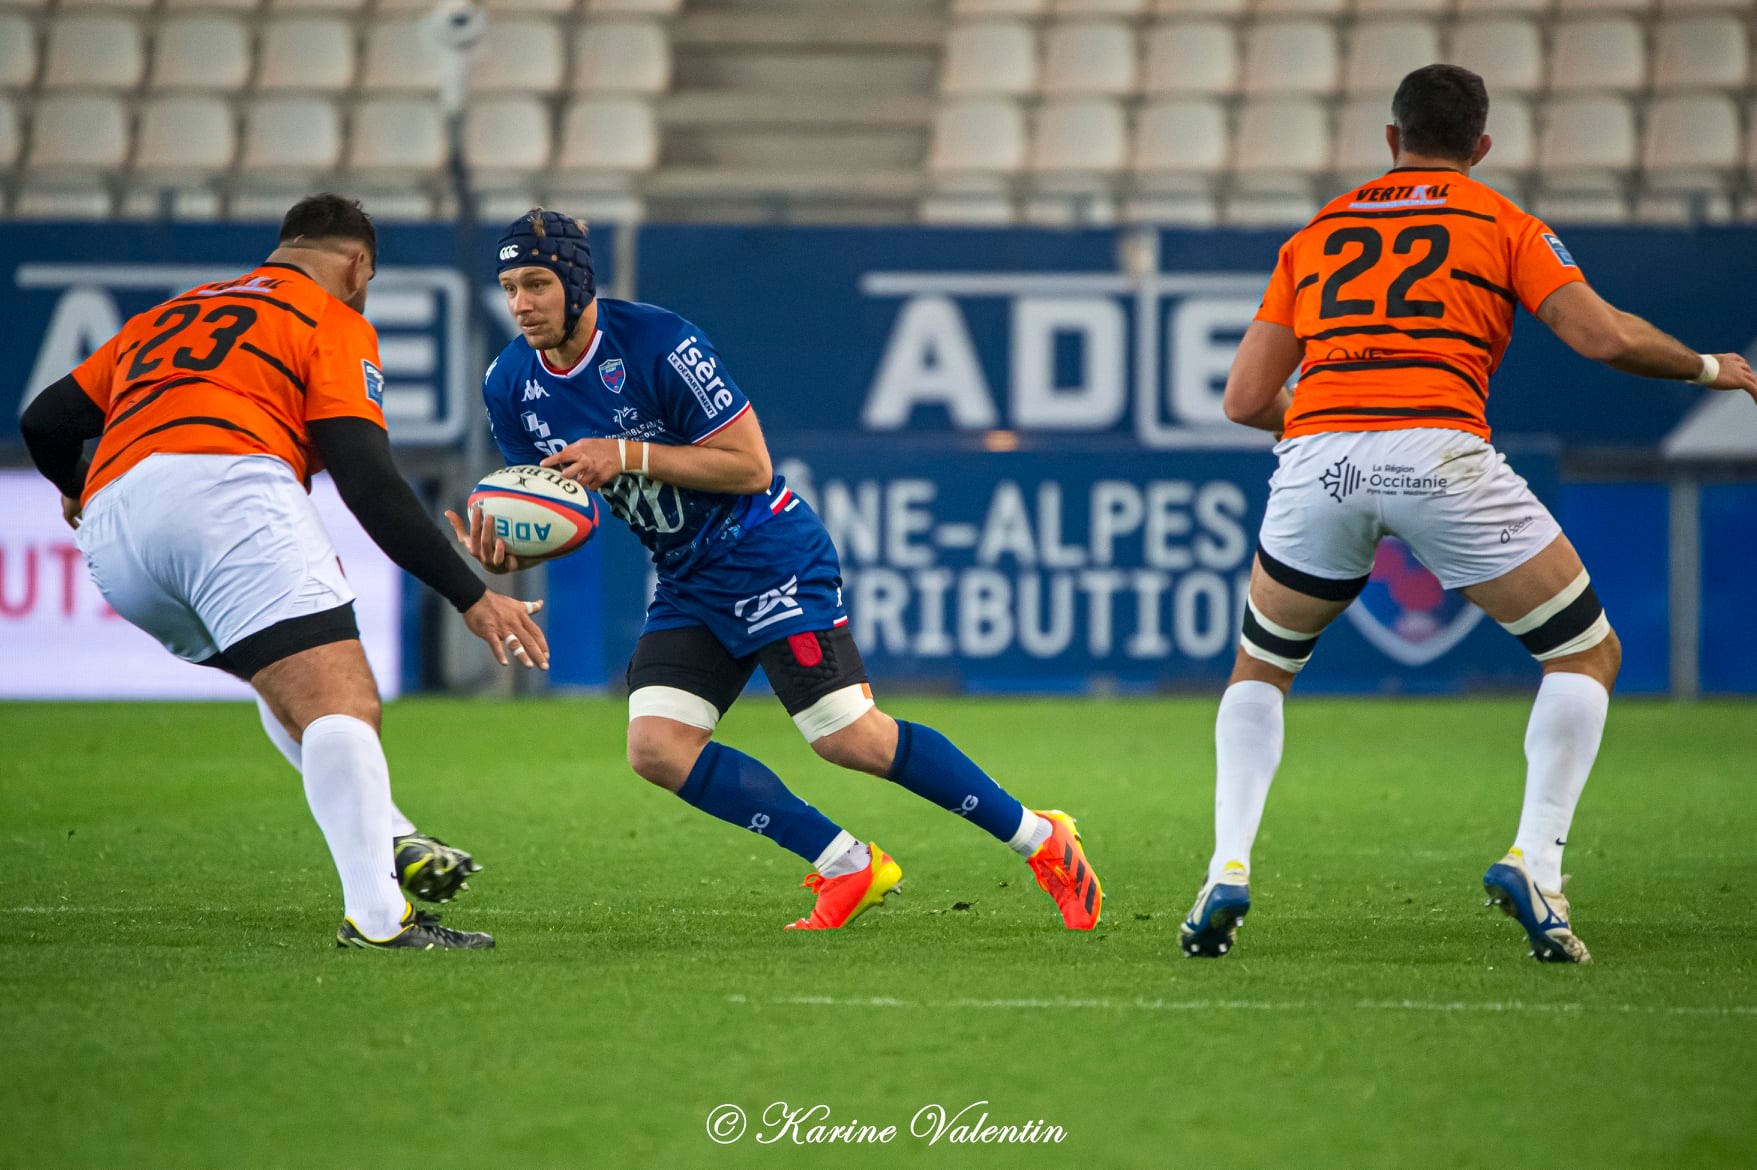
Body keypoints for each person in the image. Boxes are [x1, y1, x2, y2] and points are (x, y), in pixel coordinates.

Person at [1178, 65, 1757, 964]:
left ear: (1390, 137)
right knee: (1583, 652)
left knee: (1259, 668)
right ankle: (1536, 863)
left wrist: (1343, 409)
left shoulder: (1319, 232)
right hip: (1437, 452)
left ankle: (1225, 869)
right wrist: (1711, 369)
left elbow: (1246, 398)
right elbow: (1601, 336)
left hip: (1318, 459)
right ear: (1480, 147)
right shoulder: (1499, 222)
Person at [447, 209, 1103, 931]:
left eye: (536, 283)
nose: (520, 303)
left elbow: (750, 466)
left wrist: (625, 452)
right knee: (657, 749)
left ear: (576, 281)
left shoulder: (659, 342)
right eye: (508, 286)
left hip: (766, 549)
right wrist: (513, 549)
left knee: (847, 737)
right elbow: (561, 504)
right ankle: (847, 863)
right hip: (687, 577)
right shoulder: (509, 382)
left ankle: (1043, 840)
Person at [20, 194, 551, 950]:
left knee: (286, 677)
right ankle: (377, 920)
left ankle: (391, 832)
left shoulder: (171, 313)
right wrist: (472, 596)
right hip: (222, 492)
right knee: (344, 701)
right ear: (357, 264)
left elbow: (44, 420)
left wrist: (76, 485)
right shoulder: (328, 317)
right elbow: (367, 480)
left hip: (115, 531)